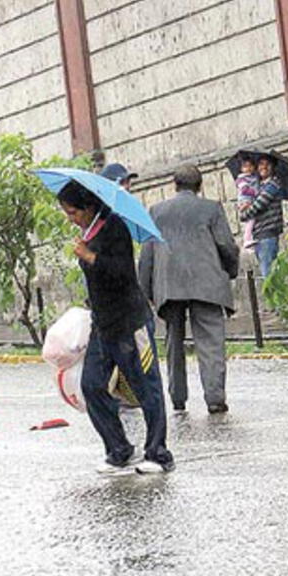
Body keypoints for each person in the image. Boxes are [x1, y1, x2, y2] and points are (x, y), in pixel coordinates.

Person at [60, 181, 174, 475]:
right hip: (103, 325)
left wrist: (90, 257)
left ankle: (158, 453)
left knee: (146, 387)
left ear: (88, 207)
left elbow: (122, 273)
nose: (70, 218)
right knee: (92, 386)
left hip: (130, 321)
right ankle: (118, 448)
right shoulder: (89, 231)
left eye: (73, 212)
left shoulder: (114, 228)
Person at [139, 165, 241, 414]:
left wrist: (146, 290)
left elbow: (147, 255)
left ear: (174, 185)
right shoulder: (211, 208)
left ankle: (177, 397)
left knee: (173, 341)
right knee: (211, 342)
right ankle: (215, 398)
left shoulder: (156, 211)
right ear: (199, 185)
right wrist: (230, 270)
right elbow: (226, 245)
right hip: (206, 283)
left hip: (168, 285)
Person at [239, 156, 285, 279]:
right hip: (258, 235)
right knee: (267, 275)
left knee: (268, 276)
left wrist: (244, 212)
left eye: (267, 164)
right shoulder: (257, 185)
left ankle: (274, 298)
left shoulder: (273, 184)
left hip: (268, 234)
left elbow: (257, 206)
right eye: (260, 164)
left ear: (273, 167)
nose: (263, 167)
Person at [235, 156, 260, 252]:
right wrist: (255, 192)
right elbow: (245, 189)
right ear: (241, 169)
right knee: (251, 220)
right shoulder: (241, 179)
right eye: (245, 166)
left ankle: (250, 240)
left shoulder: (254, 177)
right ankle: (247, 239)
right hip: (245, 200)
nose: (248, 168)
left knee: (252, 220)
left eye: (250, 166)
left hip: (251, 201)